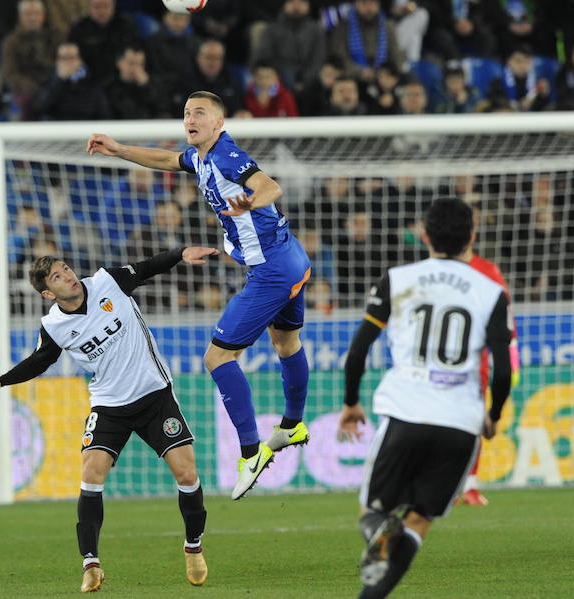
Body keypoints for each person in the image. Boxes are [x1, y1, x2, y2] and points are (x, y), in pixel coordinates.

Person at [86, 91, 313, 500]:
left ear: (219, 123)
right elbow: (164, 159)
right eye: (187, 112)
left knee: (216, 357)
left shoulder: (227, 157)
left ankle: (250, 452)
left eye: (200, 113)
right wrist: (118, 149)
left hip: (272, 270)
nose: (190, 118)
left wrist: (250, 202)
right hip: (293, 259)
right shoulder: (201, 158)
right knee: (286, 341)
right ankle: (293, 425)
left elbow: (269, 186)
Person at [0, 246, 217, 592]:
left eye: (66, 268)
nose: (68, 275)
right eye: (57, 276)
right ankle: (91, 565)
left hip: (154, 396)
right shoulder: (54, 325)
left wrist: (180, 254)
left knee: (187, 472)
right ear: (47, 293)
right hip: (109, 406)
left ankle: (193, 547)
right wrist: (0, 381)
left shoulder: (108, 281)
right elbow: (40, 361)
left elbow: (147, 267)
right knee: (90, 472)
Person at [338, 197, 513, 598]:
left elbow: (359, 349)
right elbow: (502, 369)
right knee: (418, 523)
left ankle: (378, 531)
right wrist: (493, 414)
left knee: (373, 511)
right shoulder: (492, 292)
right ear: (472, 236)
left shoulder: (398, 279)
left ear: (424, 235)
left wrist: (351, 401)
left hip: (406, 412)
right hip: (461, 422)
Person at [459, 241, 520, 506]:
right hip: (432, 361)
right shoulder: (431, 270)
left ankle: (469, 485)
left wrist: (513, 356)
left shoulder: (488, 270)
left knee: (473, 419)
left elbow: (506, 318)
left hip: (475, 357)